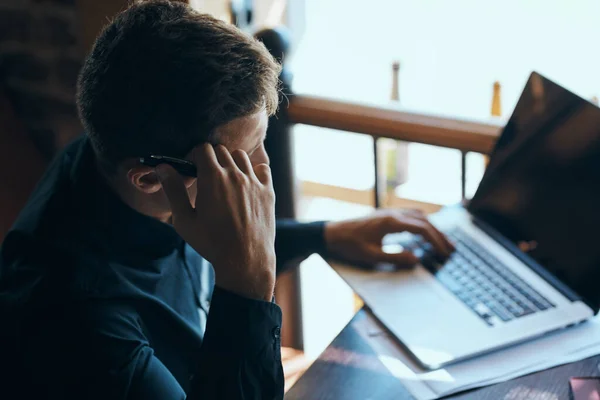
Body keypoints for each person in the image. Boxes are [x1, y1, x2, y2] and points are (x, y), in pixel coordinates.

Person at [0, 1, 454, 399]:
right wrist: (250, 284)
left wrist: (325, 236)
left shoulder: (107, 154)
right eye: (239, 160)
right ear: (150, 179)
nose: (262, 173)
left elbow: (211, 231)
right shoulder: (78, 323)